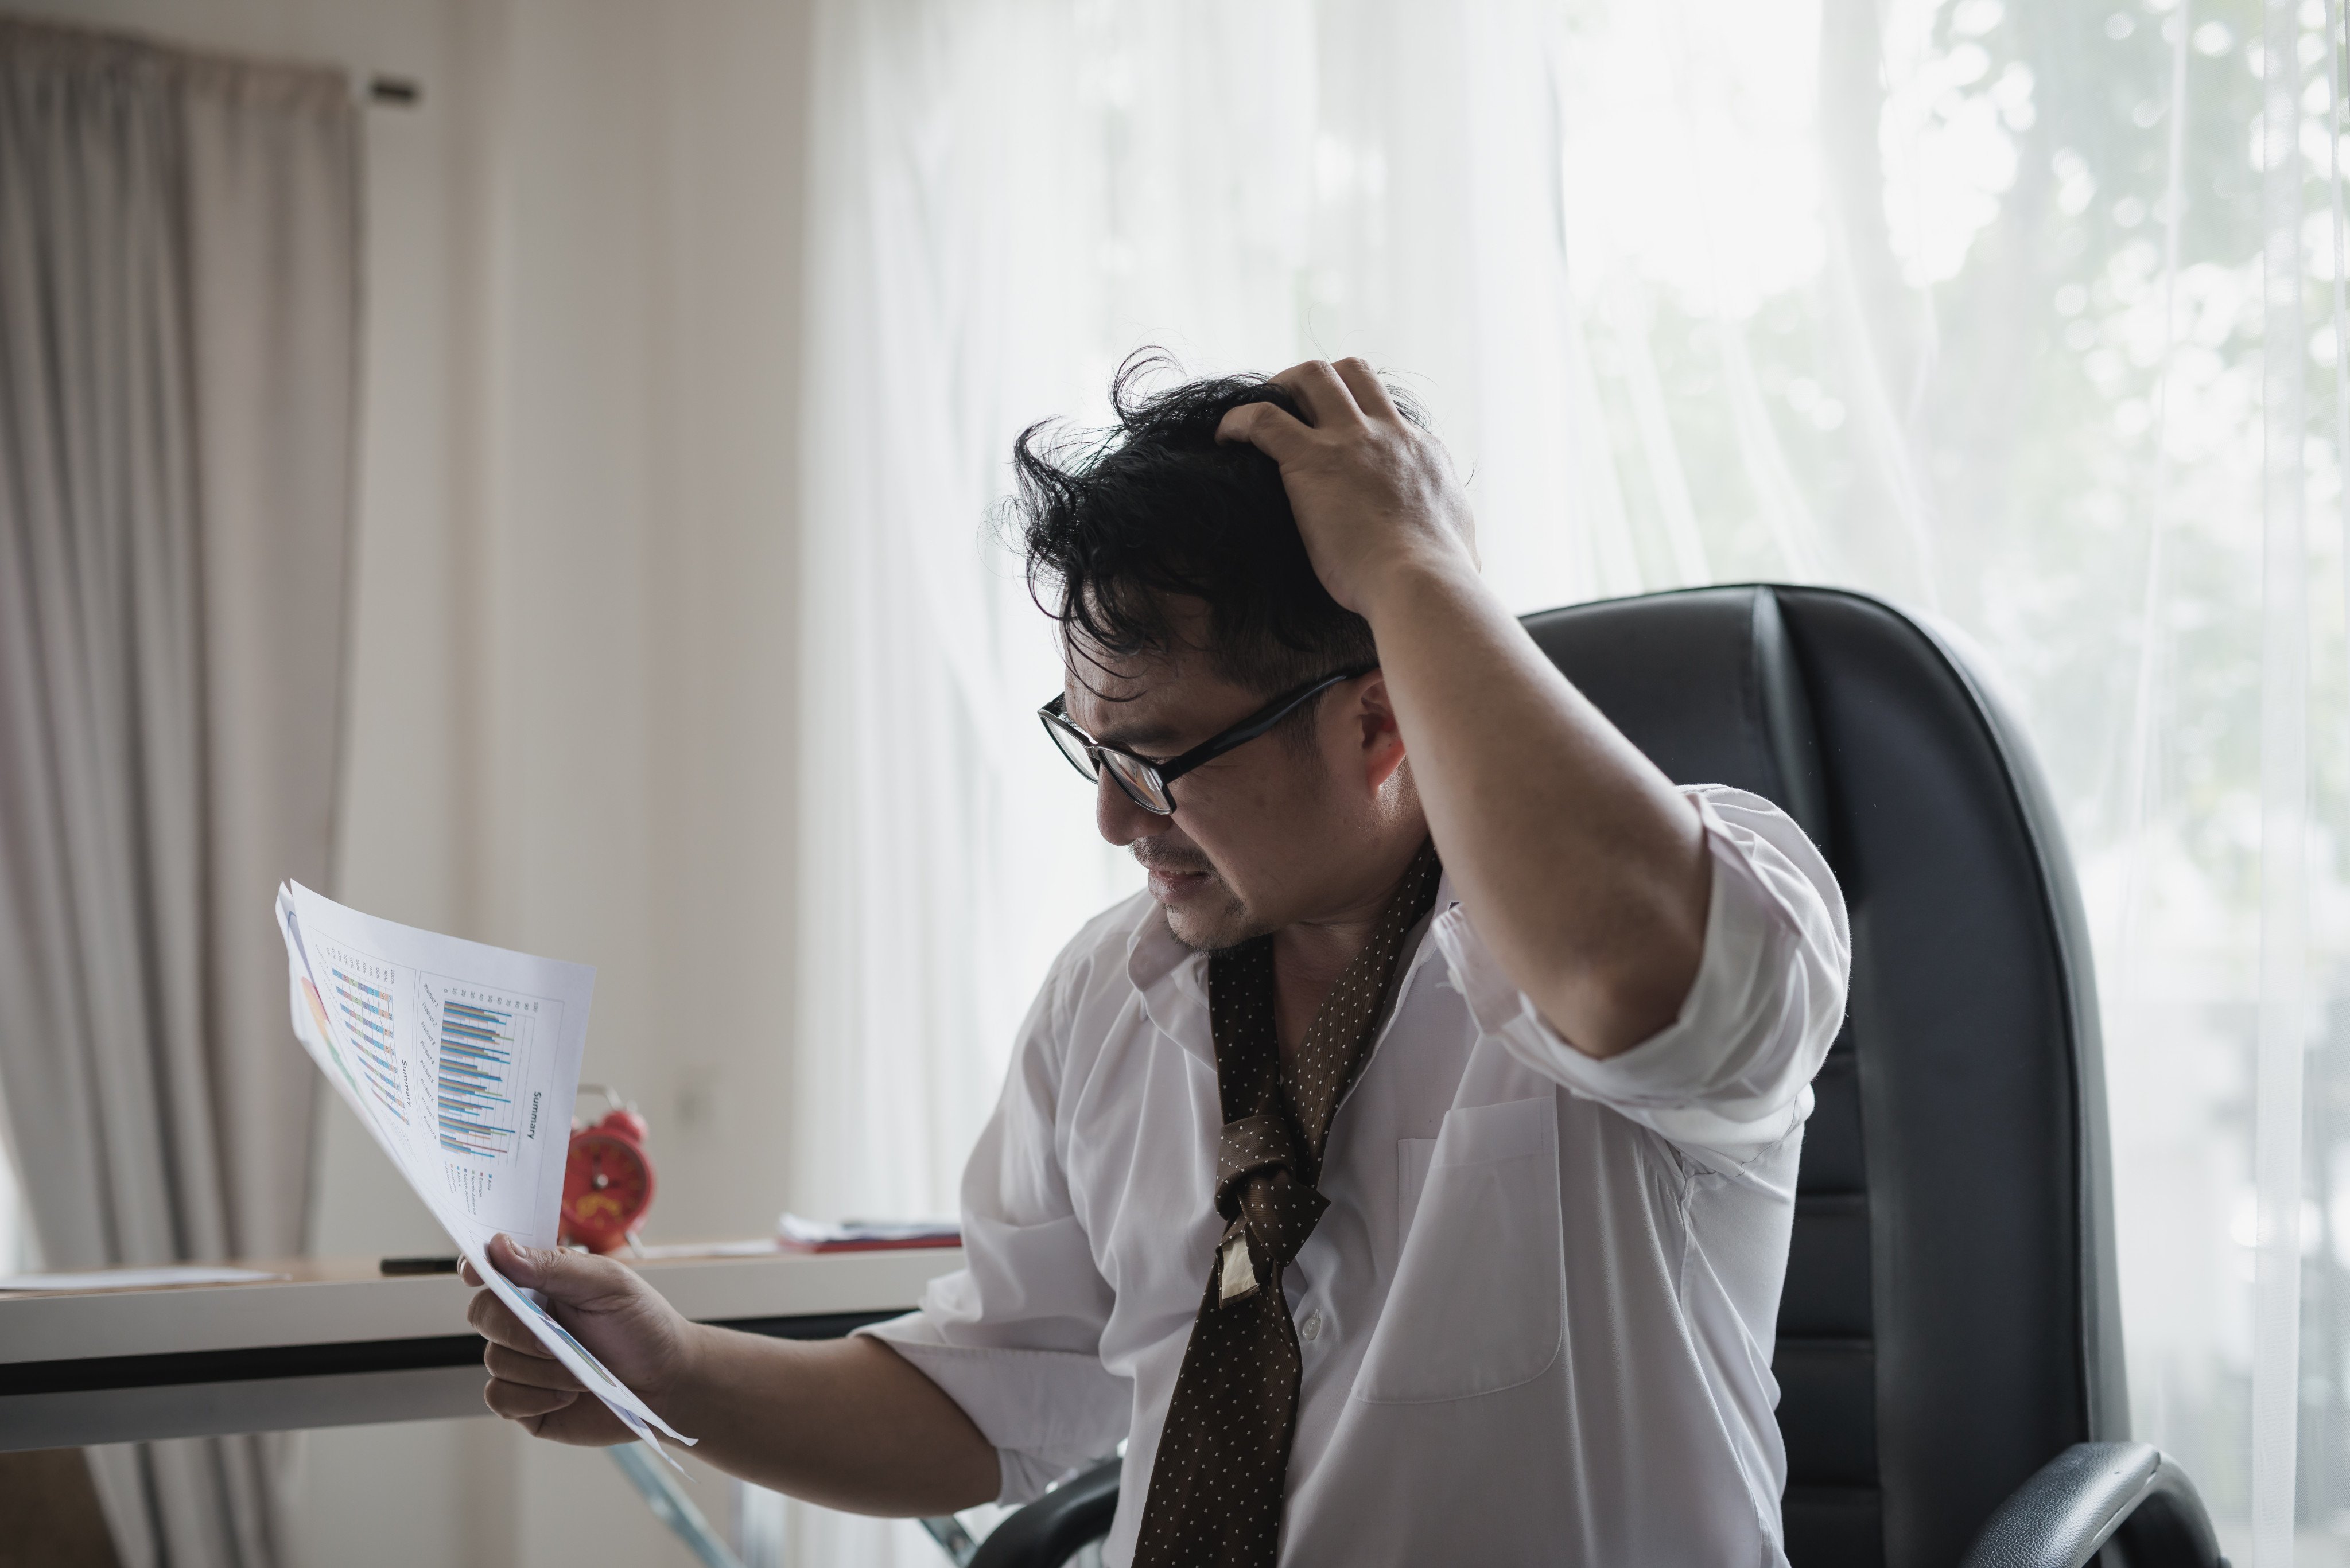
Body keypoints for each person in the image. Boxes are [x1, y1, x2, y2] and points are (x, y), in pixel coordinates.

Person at [467, 356, 1850, 1566]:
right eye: (1091, 744)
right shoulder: (1111, 993)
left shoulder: (1709, 892)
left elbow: (1628, 971)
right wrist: (677, 1371)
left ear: (1378, 724)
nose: (1117, 817)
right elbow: (995, 1391)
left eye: (1162, 757)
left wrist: (1411, 563)